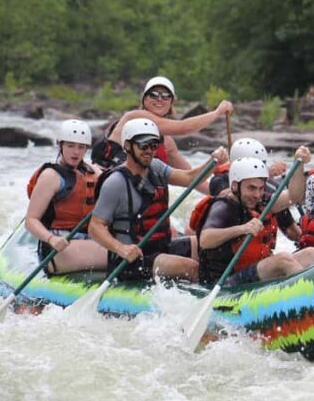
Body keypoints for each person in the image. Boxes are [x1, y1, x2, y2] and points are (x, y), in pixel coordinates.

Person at [88, 118, 227, 282]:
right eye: (143, 145)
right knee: (190, 267)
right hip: (132, 260)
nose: (149, 151)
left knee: (208, 247)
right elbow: (95, 227)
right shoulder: (116, 182)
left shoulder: (156, 167)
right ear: (127, 146)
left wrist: (212, 162)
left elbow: (189, 178)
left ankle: (223, 285)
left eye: (154, 145)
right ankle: (211, 299)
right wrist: (122, 249)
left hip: (161, 247)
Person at [192, 154, 314, 287]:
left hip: (252, 272)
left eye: (261, 188)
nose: (257, 195)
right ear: (235, 186)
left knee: (312, 253)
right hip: (224, 284)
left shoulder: (260, 201)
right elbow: (205, 240)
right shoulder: (223, 207)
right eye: (251, 188)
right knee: (283, 260)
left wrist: (299, 166)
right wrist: (242, 229)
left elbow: (293, 197)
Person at [102, 76, 233, 193]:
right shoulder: (135, 117)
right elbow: (184, 128)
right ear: (144, 100)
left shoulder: (168, 143)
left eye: (165, 96)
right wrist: (217, 112)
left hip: (140, 203)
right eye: (153, 94)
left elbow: (192, 179)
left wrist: (223, 193)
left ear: (171, 102)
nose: (159, 99)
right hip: (112, 190)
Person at [26, 119, 108, 274]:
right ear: (61, 145)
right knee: (120, 255)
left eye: (81, 147)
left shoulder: (93, 172)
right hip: (58, 246)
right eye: (70, 146)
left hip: (90, 240)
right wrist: (51, 239)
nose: (76, 152)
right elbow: (31, 221)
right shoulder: (51, 176)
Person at [208, 138, 301, 241]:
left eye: (262, 164)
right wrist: (266, 175)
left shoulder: (270, 188)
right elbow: (226, 197)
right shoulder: (220, 181)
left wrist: (298, 167)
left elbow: (292, 230)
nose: (259, 168)